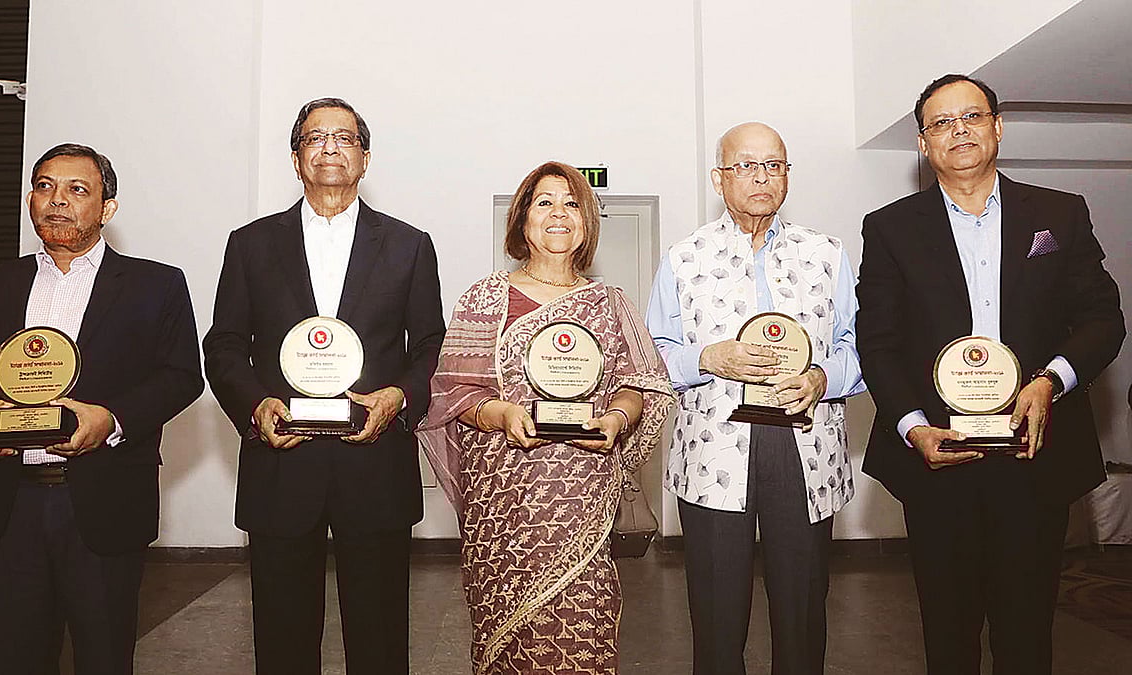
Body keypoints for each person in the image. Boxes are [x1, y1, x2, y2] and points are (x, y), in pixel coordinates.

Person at [856, 74, 1125, 674]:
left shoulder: (1060, 213)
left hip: (1035, 454)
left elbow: (1104, 320)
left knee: (1027, 631)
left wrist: (1049, 381)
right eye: (941, 124)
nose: (959, 131)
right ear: (924, 146)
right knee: (947, 634)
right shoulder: (890, 228)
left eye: (971, 117)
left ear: (997, 126)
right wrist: (912, 426)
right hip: (938, 457)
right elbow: (878, 342)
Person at [203, 97, 445, 675]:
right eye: (315, 138)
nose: (330, 148)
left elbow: (429, 345)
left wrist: (399, 398)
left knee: (380, 638)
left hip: (375, 460)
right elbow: (225, 345)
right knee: (282, 640)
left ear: (365, 157)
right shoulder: (251, 244)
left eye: (344, 138)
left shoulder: (410, 245)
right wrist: (254, 404)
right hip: (282, 461)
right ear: (295, 158)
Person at [0, 143, 203, 675]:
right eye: (44, 187)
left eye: (76, 190)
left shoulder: (156, 285)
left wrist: (109, 419)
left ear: (107, 207)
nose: (56, 201)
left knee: (105, 658)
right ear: (29, 200)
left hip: (103, 501)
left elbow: (181, 377)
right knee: (16, 657)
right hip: (8, 506)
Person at [416, 161, 674, 674]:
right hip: (505, 508)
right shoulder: (484, 298)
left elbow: (639, 384)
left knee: (585, 629)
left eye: (572, 203)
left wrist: (618, 419)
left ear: (587, 222)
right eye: (544, 202)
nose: (560, 214)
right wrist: (501, 413)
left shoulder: (610, 302)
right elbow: (453, 393)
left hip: (584, 502)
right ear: (522, 220)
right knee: (507, 639)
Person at [646, 123, 866, 675]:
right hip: (713, 451)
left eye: (775, 165)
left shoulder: (827, 254)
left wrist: (822, 378)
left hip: (807, 448)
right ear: (720, 179)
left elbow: (860, 348)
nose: (763, 176)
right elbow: (653, 356)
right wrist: (706, 359)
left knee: (803, 608)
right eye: (746, 165)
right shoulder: (683, 258)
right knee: (717, 616)